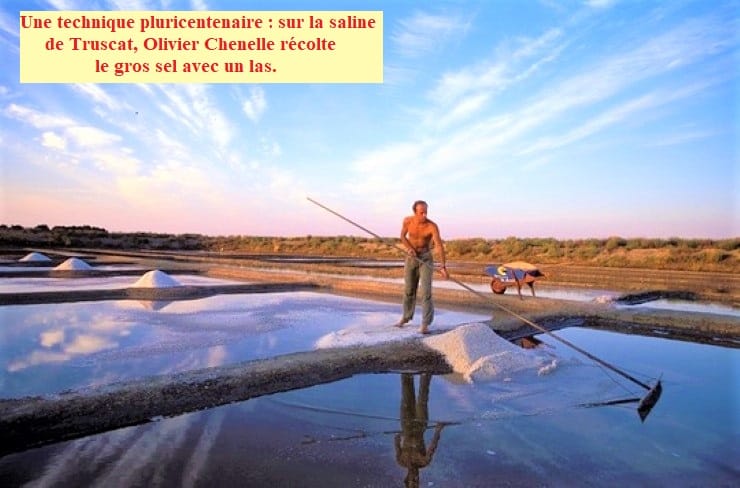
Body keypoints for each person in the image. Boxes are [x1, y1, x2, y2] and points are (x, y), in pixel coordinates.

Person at [396, 200, 449, 334]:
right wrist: (409, 248)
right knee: (409, 289)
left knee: (426, 292)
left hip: (425, 258)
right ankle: (406, 317)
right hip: (411, 257)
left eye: (426, 212)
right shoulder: (407, 221)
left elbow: (438, 245)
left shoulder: (432, 226)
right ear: (415, 212)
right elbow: (402, 236)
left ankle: (425, 324)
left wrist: (443, 266)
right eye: (421, 213)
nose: (424, 215)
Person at [394, 373, 446, 488]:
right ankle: (426, 371)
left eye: (412, 480)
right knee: (422, 397)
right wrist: (438, 430)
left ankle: (406, 368)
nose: (415, 477)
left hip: (406, 426)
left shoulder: (401, 461)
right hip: (420, 426)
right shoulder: (423, 462)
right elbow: (433, 446)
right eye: (417, 481)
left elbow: (396, 440)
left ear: (407, 478)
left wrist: (399, 435)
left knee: (407, 395)